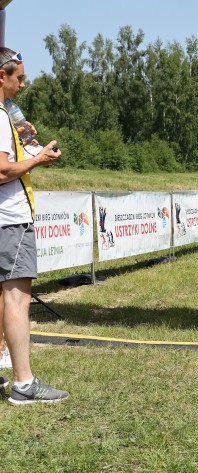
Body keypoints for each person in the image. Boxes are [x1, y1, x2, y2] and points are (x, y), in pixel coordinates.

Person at [0, 47, 69, 404]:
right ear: (1, 76)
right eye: (19, 77)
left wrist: (32, 150)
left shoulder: (7, 117)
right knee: (17, 297)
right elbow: (0, 171)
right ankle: (24, 384)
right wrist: (38, 158)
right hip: (9, 220)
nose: (23, 85)